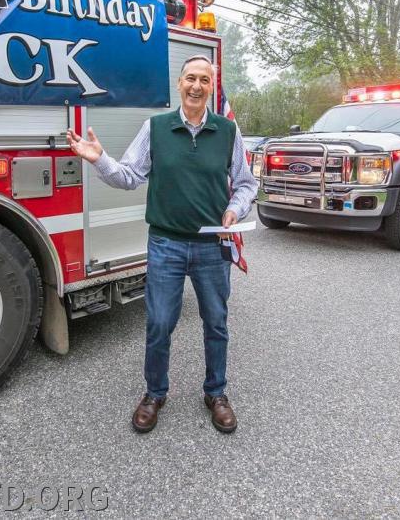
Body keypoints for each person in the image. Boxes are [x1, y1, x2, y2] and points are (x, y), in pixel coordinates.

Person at [66, 55, 257, 434]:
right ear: (179, 83)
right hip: (166, 244)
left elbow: (247, 183)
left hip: (210, 247)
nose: (196, 86)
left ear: (211, 86)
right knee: (158, 324)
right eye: (190, 78)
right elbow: (129, 177)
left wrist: (235, 209)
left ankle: (216, 393)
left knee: (216, 322)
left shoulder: (227, 132)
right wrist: (100, 159)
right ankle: (155, 393)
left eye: (204, 79)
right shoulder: (155, 128)